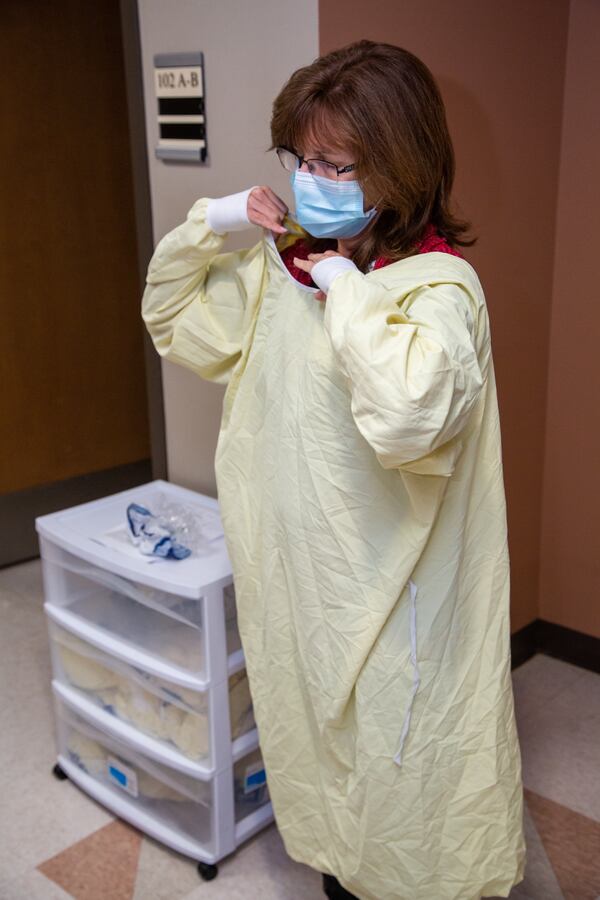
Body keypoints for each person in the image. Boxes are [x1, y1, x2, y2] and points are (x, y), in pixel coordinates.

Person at [141, 40, 526, 900]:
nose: (310, 179)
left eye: (334, 164)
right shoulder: (285, 268)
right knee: (320, 770)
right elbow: (172, 318)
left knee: (406, 784)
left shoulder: (438, 292)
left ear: (399, 165)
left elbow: (409, 416)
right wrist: (217, 220)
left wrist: (347, 287)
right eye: (301, 158)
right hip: (302, 582)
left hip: (396, 595)